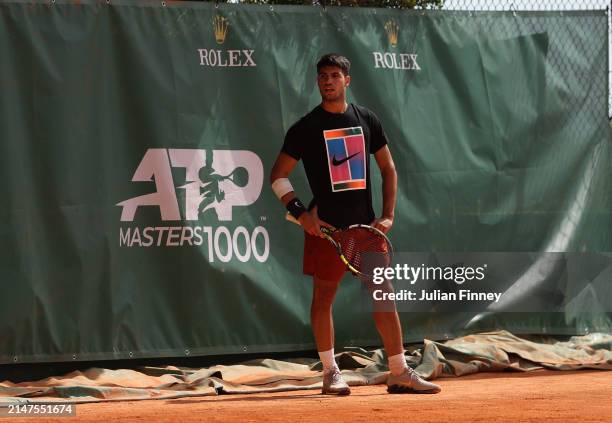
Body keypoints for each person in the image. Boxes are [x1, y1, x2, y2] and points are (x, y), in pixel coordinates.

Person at [269, 53, 441, 395]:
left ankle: (398, 371)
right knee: (323, 297)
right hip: (326, 229)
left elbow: (388, 169)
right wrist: (302, 213)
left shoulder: (367, 120)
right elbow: (278, 177)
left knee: (383, 296)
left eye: (334, 75)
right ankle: (331, 372)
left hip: (365, 230)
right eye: (322, 76)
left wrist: (388, 214)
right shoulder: (305, 127)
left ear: (347, 80)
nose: (327, 81)